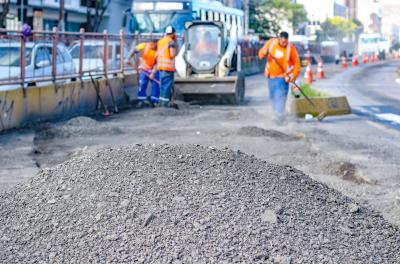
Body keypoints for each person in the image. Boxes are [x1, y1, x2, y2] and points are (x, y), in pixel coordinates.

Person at [258, 31, 301, 124]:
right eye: (282, 42)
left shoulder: (291, 48)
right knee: (272, 97)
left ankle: (279, 115)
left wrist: (293, 76)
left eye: (286, 42)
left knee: (280, 96)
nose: (284, 44)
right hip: (270, 76)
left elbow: (297, 63)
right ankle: (278, 114)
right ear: (279, 39)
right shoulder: (271, 43)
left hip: (283, 77)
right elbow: (260, 54)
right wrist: (264, 52)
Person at [129, 39, 159, 107]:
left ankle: (155, 102)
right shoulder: (144, 45)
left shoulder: (159, 50)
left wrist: (153, 73)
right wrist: (128, 58)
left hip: (153, 70)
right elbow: (134, 50)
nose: (151, 46)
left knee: (155, 85)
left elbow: (157, 63)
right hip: (143, 69)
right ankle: (141, 101)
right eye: (150, 44)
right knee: (142, 84)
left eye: (153, 45)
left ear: (156, 44)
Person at [157, 25, 177, 107]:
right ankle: (165, 105)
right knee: (167, 87)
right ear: (172, 34)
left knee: (162, 86)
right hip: (168, 68)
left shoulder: (160, 42)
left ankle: (161, 103)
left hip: (161, 67)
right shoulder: (171, 42)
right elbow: (172, 55)